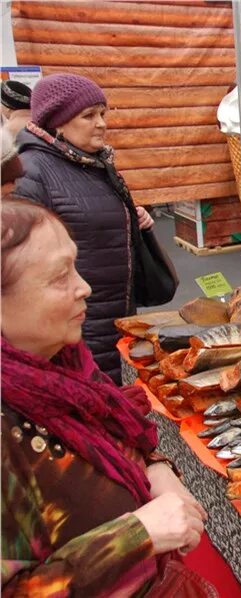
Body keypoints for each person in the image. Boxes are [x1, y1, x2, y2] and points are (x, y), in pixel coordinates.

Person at [0, 198, 214, 596]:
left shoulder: (64, 365)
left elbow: (123, 430)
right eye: (59, 276)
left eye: (75, 266)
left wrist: (156, 470)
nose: (85, 287)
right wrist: (138, 534)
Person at [13, 73, 155, 384]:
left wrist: (132, 217)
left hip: (115, 311)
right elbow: (26, 263)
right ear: (57, 122)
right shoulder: (33, 172)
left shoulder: (92, 162)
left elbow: (89, 219)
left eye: (103, 113)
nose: (101, 123)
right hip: (77, 323)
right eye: (88, 115)